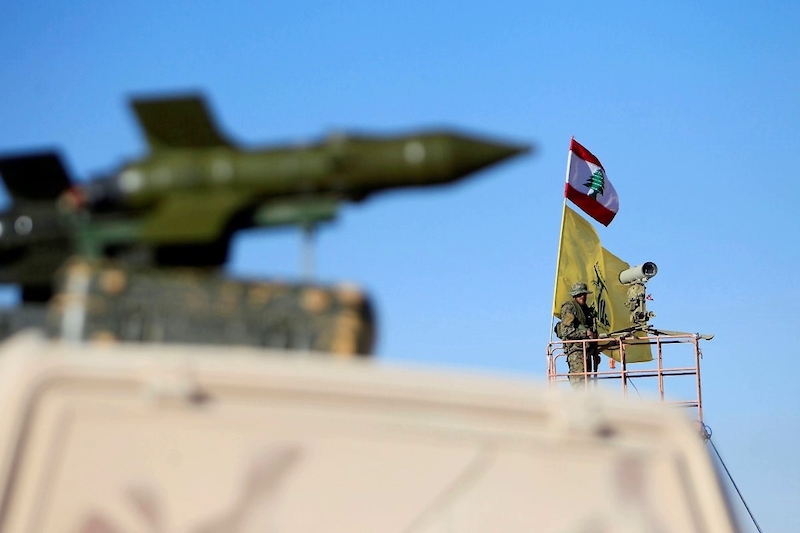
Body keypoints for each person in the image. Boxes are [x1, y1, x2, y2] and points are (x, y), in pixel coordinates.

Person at [556, 281, 600, 386]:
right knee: (579, 382)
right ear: (574, 296)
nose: (582, 297)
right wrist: (586, 333)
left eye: (584, 294)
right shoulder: (569, 307)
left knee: (586, 382)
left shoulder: (586, 310)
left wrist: (595, 351)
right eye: (579, 295)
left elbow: (592, 330)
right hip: (576, 351)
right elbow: (566, 331)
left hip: (587, 351)